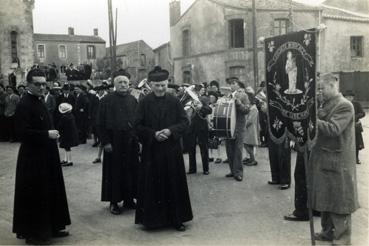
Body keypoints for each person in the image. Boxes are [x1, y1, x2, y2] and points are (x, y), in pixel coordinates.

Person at [12, 68, 71, 245]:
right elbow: (21, 133)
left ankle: (52, 227)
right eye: (37, 84)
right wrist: (46, 134)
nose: (42, 87)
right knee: (35, 194)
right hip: (32, 158)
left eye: (44, 83)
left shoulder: (40, 100)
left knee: (50, 190)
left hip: (47, 155)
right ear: (28, 84)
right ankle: (33, 233)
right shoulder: (24, 104)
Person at [134, 66, 193, 231]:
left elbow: (184, 122)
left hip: (171, 150)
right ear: (151, 85)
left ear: (167, 84)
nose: (160, 89)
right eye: (157, 86)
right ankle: (153, 221)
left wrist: (170, 131)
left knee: (173, 183)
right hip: (152, 151)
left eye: (163, 85)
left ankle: (177, 219)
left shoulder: (174, 101)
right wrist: (153, 134)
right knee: (153, 185)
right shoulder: (144, 102)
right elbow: (137, 126)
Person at [311, 73, 359, 244]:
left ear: (332, 86)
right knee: (326, 198)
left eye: (322, 89)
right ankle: (327, 232)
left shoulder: (344, 106)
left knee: (340, 201)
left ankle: (342, 239)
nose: (319, 92)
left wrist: (313, 120)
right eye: (318, 89)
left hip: (338, 162)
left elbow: (334, 129)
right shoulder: (327, 103)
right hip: (326, 159)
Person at [97, 69, 139, 215]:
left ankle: (128, 199)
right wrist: (106, 142)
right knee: (114, 172)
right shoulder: (105, 101)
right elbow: (100, 124)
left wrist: (137, 140)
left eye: (125, 82)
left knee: (130, 170)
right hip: (113, 141)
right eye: (120, 82)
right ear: (114, 84)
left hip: (130, 142)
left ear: (129, 84)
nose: (123, 85)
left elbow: (137, 122)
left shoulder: (133, 100)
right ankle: (114, 201)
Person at [224, 78, 250, 182]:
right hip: (228, 126)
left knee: (238, 150)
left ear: (238, 85)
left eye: (234, 83)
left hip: (239, 126)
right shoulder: (228, 95)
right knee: (229, 149)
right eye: (230, 84)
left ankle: (238, 173)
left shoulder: (243, 95)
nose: (231, 85)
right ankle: (232, 170)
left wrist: (238, 103)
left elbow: (247, 110)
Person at [187, 84, 212, 175]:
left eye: (200, 90)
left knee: (204, 147)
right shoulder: (188, 100)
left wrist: (201, 107)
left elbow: (209, 110)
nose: (200, 91)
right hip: (191, 125)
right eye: (198, 90)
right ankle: (192, 168)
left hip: (202, 125)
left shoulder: (204, 99)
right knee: (191, 147)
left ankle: (206, 169)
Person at [344, 91, 365, 164]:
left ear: (353, 97)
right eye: (347, 97)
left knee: (356, 143)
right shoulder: (342, 104)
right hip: (345, 126)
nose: (349, 98)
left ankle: (356, 158)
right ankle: (347, 159)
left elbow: (362, 113)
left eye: (350, 97)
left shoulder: (357, 104)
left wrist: (354, 117)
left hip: (356, 126)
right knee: (346, 142)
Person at [243, 87, 260, 166]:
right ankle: (251, 158)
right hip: (249, 129)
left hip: (250, 129)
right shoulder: (251, 108)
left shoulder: (254, 109)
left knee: (246, 144)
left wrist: (244, 124)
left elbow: (250, 120)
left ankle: (253, 159)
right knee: (248, 144)